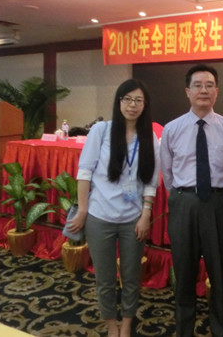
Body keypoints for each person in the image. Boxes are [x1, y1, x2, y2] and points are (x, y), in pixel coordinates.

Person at [68, 79, 160, 337]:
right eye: (127, 99)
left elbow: (151, 181)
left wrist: (145, 214)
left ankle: (127, 323)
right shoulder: (101, 131)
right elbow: (84, 172)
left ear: (145, 105)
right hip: (100, 217)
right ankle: (111, 325)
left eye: (138, 100)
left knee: (131, 276)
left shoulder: (149, 137)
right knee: (105, 278)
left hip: (133, 220)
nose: (132, 105)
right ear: (119, 102)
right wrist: (83, 210)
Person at [160, 63, 223, 337]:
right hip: (184, 203)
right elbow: (167, 173)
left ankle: (220, 329)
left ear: (217, 91)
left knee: (220, 272)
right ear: (187, 91)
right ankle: (184, 330)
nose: (203, 90)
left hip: (219, 203)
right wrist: (183, 197)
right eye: (197, 85)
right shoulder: (171, 129)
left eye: (209, 85)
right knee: (184, 272)